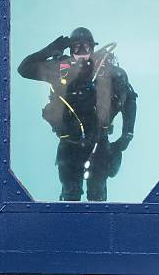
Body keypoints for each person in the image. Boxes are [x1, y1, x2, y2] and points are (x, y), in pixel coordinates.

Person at [17, 27, 137, 201]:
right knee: (70, 195)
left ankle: (98, 226)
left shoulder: (110, 73)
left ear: (93, 48)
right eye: (76, 47)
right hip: (69, 143)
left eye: (86, 47)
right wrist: (51, 49)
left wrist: (127, 134)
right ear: (70, 49)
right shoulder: (60, 69)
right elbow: (24, 69)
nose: (81, 52)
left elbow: (130, 101)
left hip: (99, 143)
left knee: (97, 196)